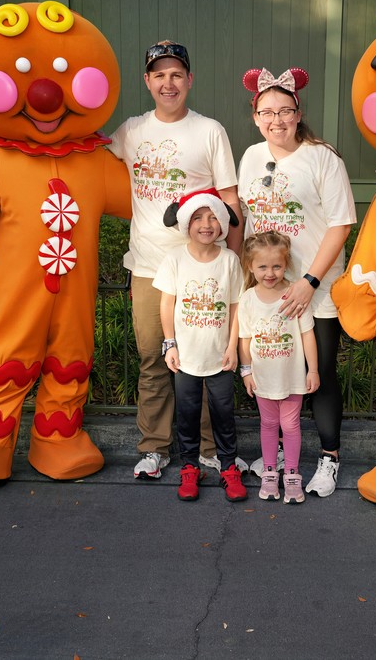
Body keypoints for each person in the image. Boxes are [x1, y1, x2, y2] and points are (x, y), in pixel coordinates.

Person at [110, 40, 246, 479]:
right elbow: (88, 160)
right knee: (154, 359)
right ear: (147, 81)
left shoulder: (210, 131)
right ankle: (155, 447)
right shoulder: (130, 131)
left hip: (203, 264)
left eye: (176, 75)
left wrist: (235, 262)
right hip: (150, 267)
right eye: (159, 75)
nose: (168, 83)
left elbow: (230, 200)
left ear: (189, 80)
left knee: (207, 362)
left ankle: (209, 448)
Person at [238, 66, 357, 497]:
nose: (277, 120)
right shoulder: (251, 156)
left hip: (314, 289)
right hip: (268, 292)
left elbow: (340, 225)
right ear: (255, 117)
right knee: (274, 372)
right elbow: (248, 223)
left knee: (317, 372)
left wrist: (308, 280)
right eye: (267, 112)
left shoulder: (323, 156)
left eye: (285, 111)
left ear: (298, 112)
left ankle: (329, 457)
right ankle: (280, 457)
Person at [153, 189, 247, 502]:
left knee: (223, 412)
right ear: (186, 224)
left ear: (222, 224)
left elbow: (236, 307)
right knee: (188, 413)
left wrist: (232, 347)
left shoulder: (230, 261)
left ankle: (229, 467)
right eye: (197, 217)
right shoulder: (175, 260)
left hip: (219, 356)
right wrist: (171, 344)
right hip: (186, 356)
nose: (205, 224)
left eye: (212, 218)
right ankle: (190, 467)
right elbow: (168, 304)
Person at [238, 231, 319, 504]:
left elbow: (307, 334)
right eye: (262, 266)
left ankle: (293, 475)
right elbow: (245, 339)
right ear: (250, 266)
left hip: (292, 376)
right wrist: (246, 371)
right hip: (262, 378)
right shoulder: (248, 299)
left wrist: (313, 370)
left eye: (277, 266)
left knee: (291, 424)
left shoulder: (294, 294)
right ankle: (270, 473)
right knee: (269, 423)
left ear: (286, 264)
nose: (270, 273)